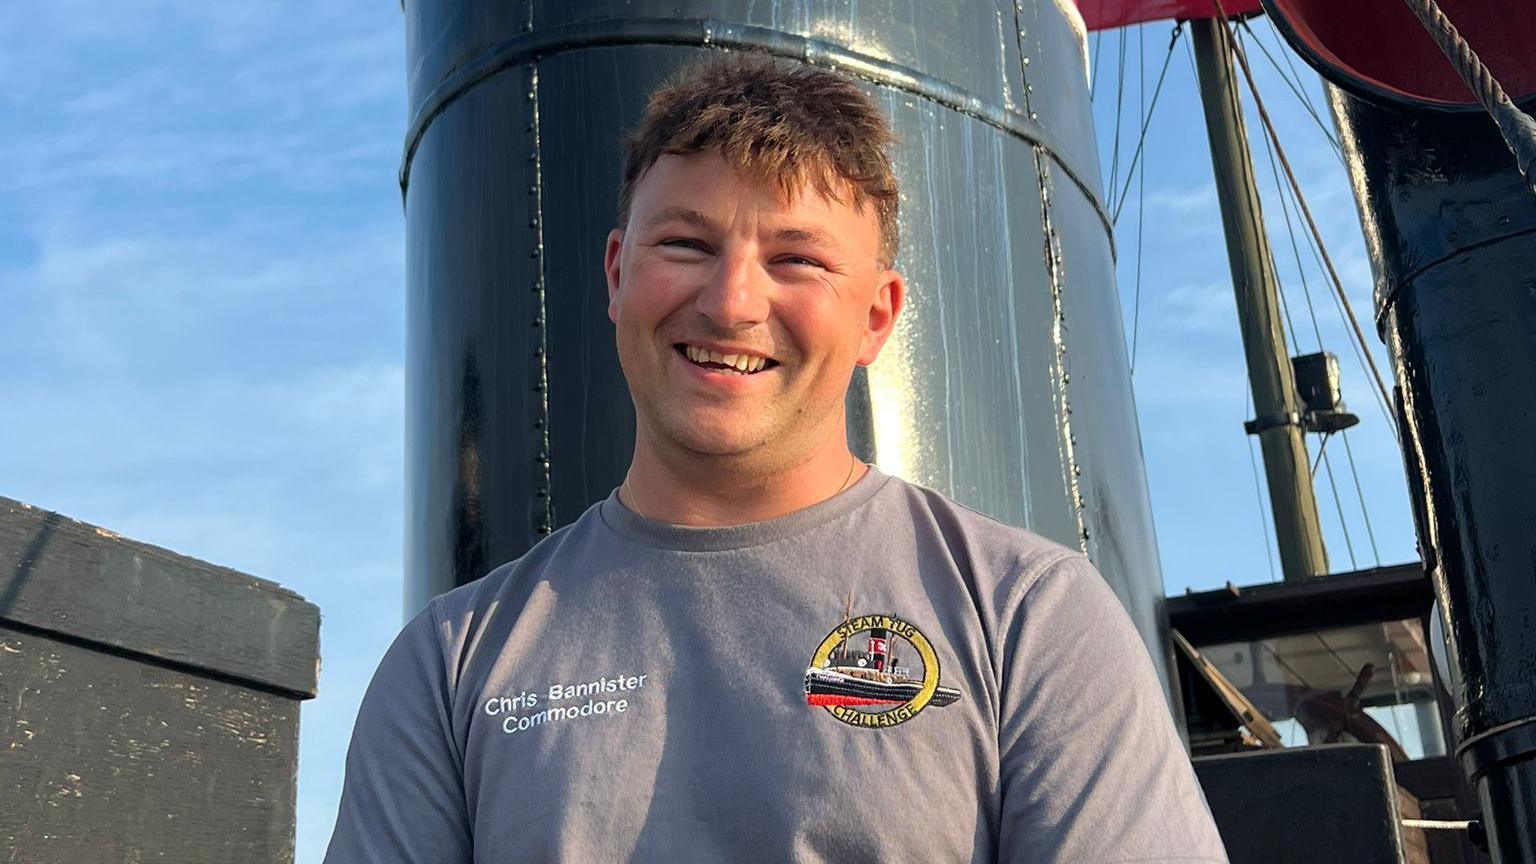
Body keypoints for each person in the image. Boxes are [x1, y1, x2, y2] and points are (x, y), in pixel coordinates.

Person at [324, 55, 1228, 863]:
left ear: (876, 316)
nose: (731, 303)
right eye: (686, 244)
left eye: (797, 259)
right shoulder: (449, 666)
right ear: (614, 273)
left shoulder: (1029, 622)